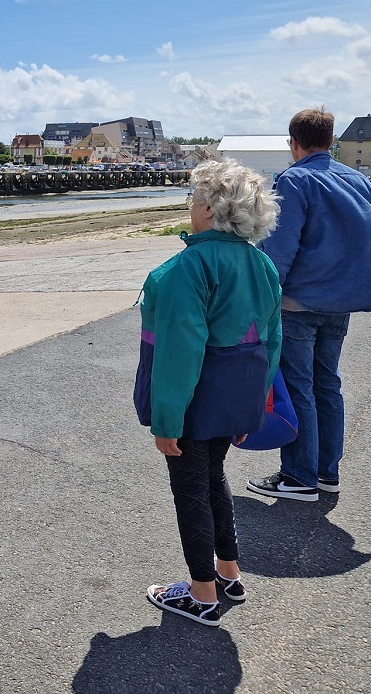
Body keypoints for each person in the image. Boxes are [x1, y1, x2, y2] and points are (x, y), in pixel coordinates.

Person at [134, 159, 282, 627]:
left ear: (207, 207)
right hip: (236, 396)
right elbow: (272, 340)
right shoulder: (261, 263)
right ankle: (228, 573)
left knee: (190, 492)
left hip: (194, 402)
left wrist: (167, 421)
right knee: (214, 477)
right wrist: (256, 402)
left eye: (193, 198)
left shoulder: (186, 267)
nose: (190, 206)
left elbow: (179, 351)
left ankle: (201, 595)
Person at [247, 108, 371, 503]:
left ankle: (299, 476)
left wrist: (259, 299)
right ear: (332, 141)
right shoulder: (358, 180)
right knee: (327, 383)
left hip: (300, 303)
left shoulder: (294, 181)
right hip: (341, 301)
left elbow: (281, 248)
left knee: (299, 388)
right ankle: (327, 472)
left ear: (293, 143)